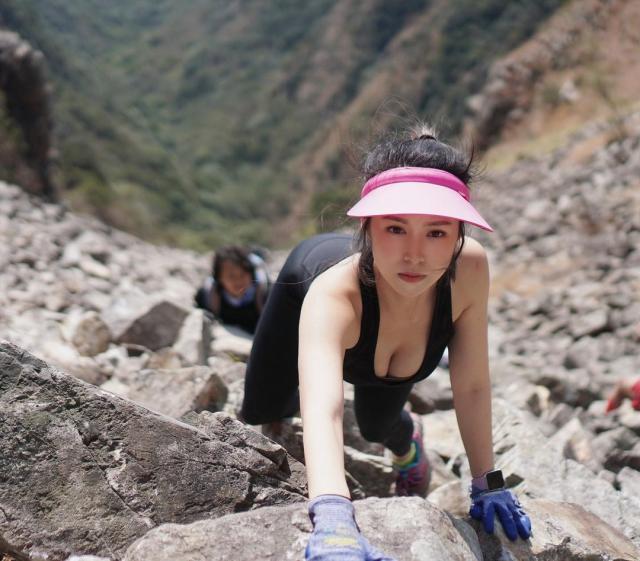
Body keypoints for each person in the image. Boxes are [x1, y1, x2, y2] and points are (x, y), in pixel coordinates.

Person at [240, 127, 532, 559]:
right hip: (305, 283)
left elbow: (471, 384)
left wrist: (487, 482)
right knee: (264, 409)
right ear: (367, 226)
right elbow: (325, 409)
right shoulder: (332, 294)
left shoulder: (469, 269)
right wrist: (334, 516)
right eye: (395, 228)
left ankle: (409, 447)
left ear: (459, 234)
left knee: (377, 427)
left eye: (436, 233)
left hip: (390, 350)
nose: (415, 254)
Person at [194, 245, 270, 334]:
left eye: (242, 275)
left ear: (252, 275)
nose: (238, 281)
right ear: (219, 278)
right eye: (231, 276)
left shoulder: (266, 295)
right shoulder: (206, 296)